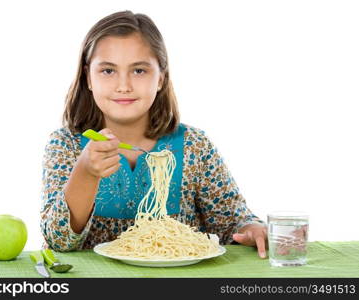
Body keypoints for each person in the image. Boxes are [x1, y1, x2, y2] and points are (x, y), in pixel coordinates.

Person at [40, 10, 268, 258]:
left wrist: (250, 227)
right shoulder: (66, 145)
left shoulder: (195, 146)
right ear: (88, 77)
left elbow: (231, 219)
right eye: (108, 71)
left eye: (139, 70)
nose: (123, 85)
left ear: (161, 78)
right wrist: (85, 171)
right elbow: (58, 240)